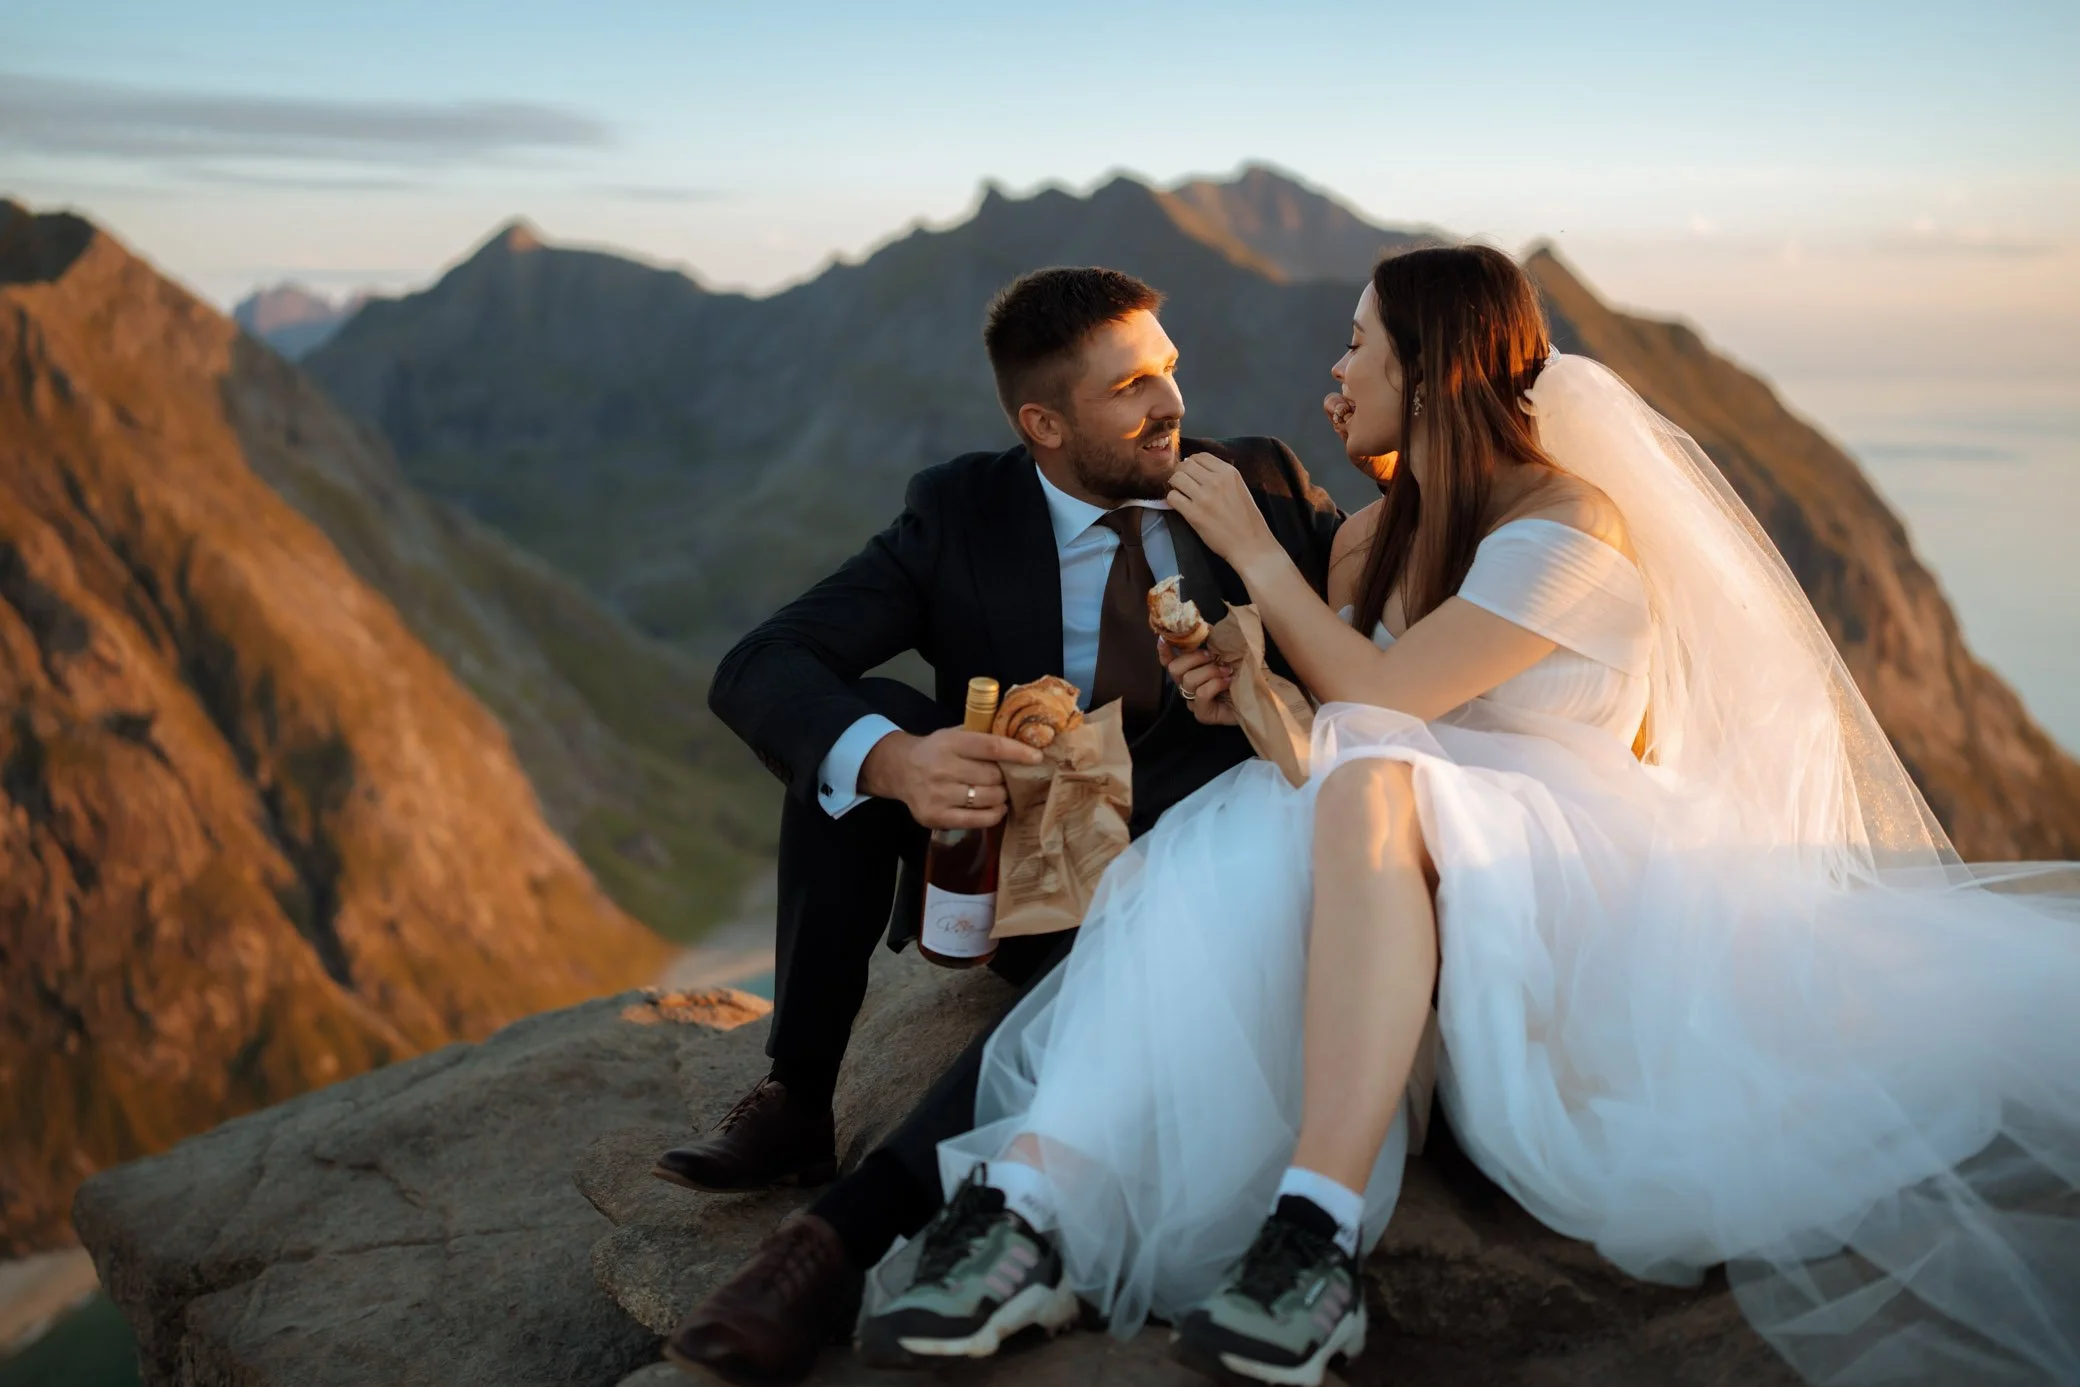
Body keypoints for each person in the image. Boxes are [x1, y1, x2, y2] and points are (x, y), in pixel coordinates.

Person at [855, 245, 2080, 1387]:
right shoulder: (1376, 541)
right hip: (1389, 862)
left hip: (1563, 888)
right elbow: (1333, 731)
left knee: (1361, 784)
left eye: (1358, 347)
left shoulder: (1570, 530)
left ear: (1428, 375)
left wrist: (1253, 558)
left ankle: (1314, 1239)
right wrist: (1252, 700)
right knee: (1206, 859)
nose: (1333, 372)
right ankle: (1024, 1207)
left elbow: (1385, 702)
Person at [660, 266, 1345, 1384]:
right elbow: (761, 663)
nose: (1171, 402)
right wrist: (901, 763)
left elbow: (1363, 648)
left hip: (1195, 872)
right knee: (860, 723)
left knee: (1117, 958)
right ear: (1044, 423)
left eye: (1168, 370)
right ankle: (797, 1092)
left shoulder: (1252, 482)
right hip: (1006, 869)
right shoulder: (962, 510)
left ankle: (834, 1245)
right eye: (1131, 387)